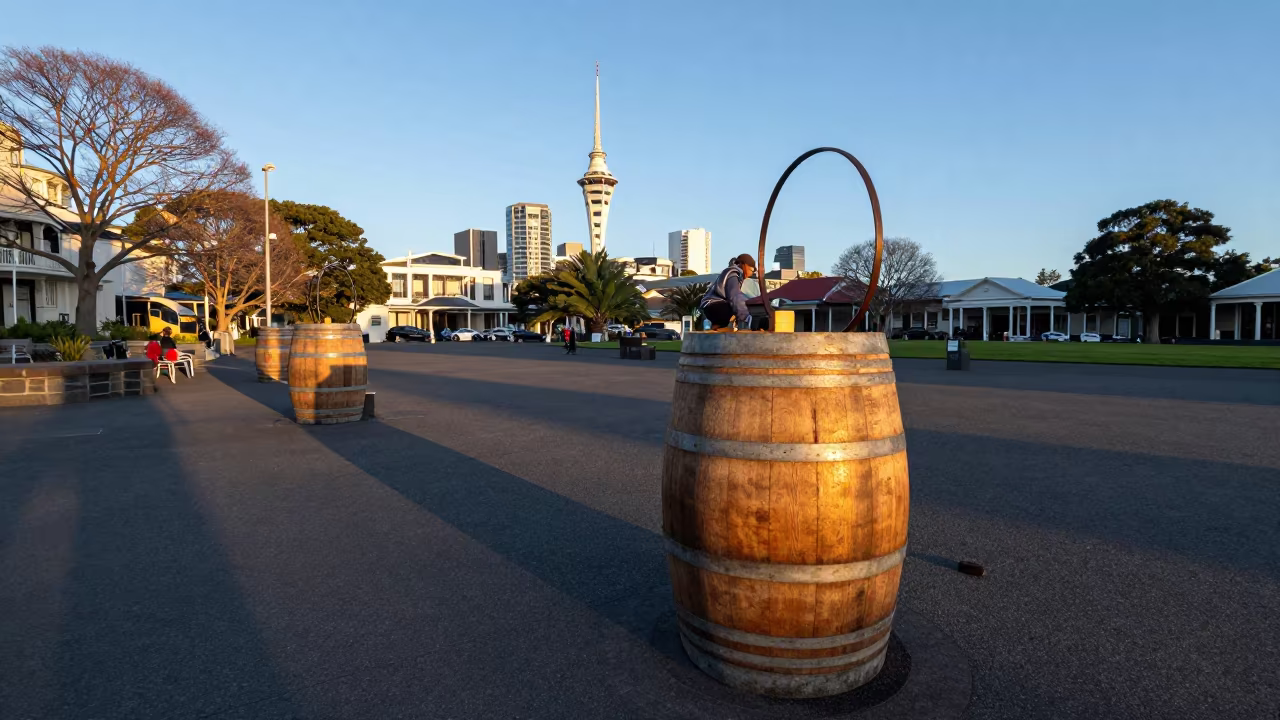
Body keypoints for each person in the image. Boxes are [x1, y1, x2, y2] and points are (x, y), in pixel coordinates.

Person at [700, 253, 756, 331]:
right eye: (751, 270)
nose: (751, 274)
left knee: (723, 322)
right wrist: (746, 316)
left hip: (710, 305)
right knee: (733, 308)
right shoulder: (733, 273)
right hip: (715, 305)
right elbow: (735, 296)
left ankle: (716, 331)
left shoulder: (732, 273)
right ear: (744, 265)